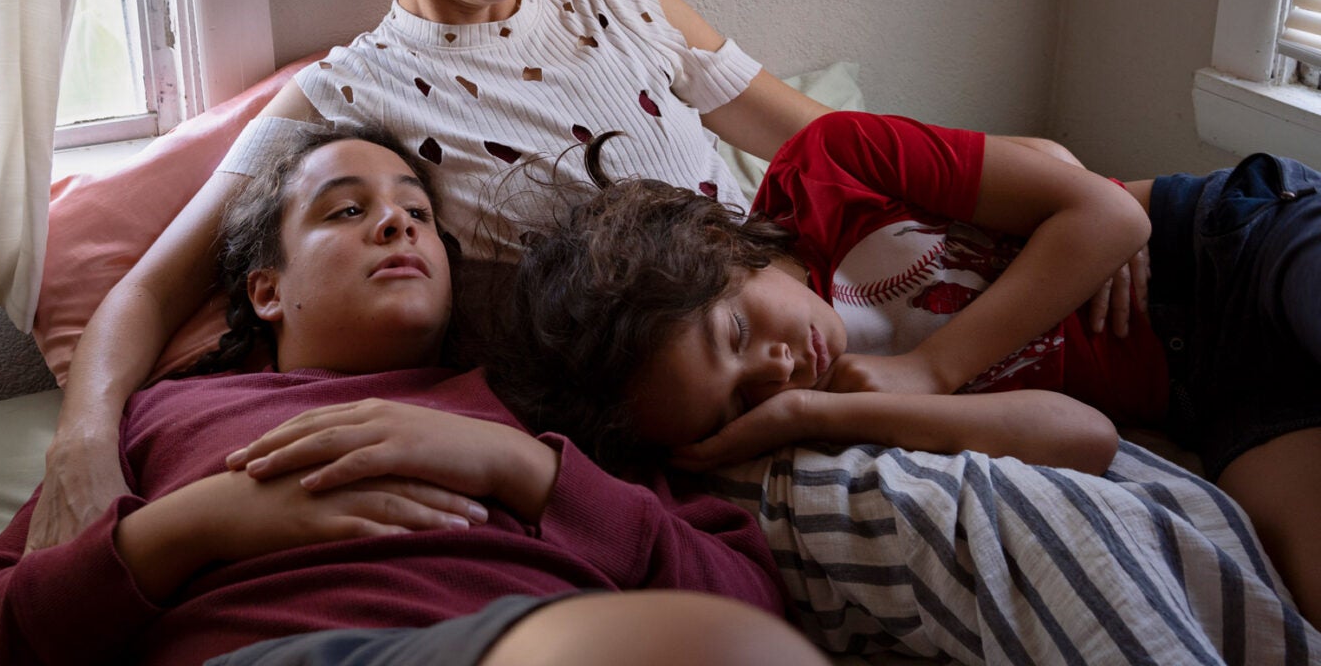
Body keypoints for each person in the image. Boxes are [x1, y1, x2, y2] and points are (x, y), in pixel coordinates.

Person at [29, 0, 1138, 552]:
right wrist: (83, 441)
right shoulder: (349, 92)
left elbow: (833, 142)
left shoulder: (624, 1)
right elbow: (147, 287)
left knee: (1108, 494)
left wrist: (1071, 184)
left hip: (807, 341)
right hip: (682, 427)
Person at [0, 124, 825, 666]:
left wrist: (522, 467)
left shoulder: (541, 409)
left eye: (419, 213)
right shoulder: (167, 416)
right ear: (265, 290)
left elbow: (747, 595)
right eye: (348, 210)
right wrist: (197, 525)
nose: (396, 221)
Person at [493, 111, 1321, 628]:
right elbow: (1088, 438)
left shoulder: (830, 164)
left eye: (738, 331)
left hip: (1228, 245)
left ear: (717, 247)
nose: (778, 371)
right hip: (1219, 396)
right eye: (740, 401)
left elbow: (1104, 213)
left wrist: (930, 368)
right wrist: (821, 418)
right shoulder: (833, 423)